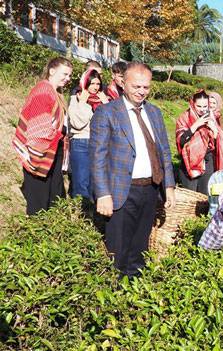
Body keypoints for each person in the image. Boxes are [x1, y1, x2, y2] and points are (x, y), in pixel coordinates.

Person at [90, 62, 176, 278]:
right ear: (123, 83)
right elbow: (97, 157)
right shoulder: (107, 112)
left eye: (145, 87)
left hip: (149, 189)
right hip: (121, 190)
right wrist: (103, 194)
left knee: (140, 246)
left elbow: (164, 151)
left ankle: (135, 292)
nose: (141, 92)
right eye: (136, 86)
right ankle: (114, 292)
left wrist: (170, 186)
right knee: (118, 250)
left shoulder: (154, 112)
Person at [12, 57, 73, 215]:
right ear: (52, 71)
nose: (67, 79)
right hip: (41, 152)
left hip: (53, 150)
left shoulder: (55, 92)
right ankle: (36, 237)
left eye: (69, 76)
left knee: (52, 198)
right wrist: (57, 135)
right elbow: (38, 130)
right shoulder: (44, 90)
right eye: (64, 74)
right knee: (39, 202)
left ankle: (50, 235)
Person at [175, 90, 223, 194]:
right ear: (192, 104)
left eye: (205, 106)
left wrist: (215, 132)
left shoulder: (212, 119)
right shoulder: (184, 118)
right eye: (199, 106)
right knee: (190, 195)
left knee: (205, 195)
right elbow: (181, 141)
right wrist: (196, 125)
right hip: (190, 163)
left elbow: (217, 144)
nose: (202, 110)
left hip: (207, 161)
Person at [67, 68, 109, 200]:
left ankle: (91, 216)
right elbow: (77, 123)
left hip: (98, 144)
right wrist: (83, 103)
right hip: (81, 143)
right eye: (92, 83)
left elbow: (112, 122)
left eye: (98, 84)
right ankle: (79, 215)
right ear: (85, 83)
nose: (95, 87)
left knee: (94, 183)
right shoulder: (77, 97)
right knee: (81, 183)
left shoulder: (103, 99)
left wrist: (106, 104)